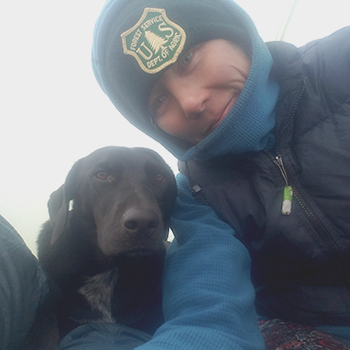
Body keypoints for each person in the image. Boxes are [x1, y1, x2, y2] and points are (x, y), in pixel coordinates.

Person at [91, 0, 350, 348]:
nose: (190, 102)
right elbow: (209, 315)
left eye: (187, 59)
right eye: (159, 102)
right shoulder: (197, 195)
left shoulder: (341, 65)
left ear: (235, 34)